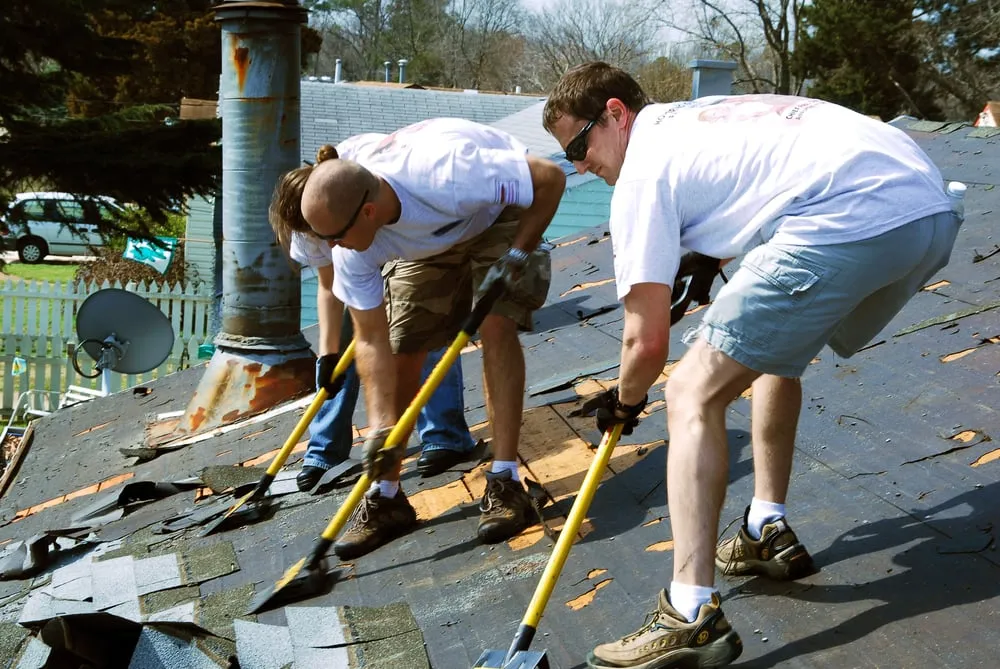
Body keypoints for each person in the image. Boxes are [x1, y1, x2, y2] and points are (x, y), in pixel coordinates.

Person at [543, 62, 963, 669]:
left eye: (580, 146)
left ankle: (690, 614)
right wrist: (712, 258)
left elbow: (645, 344)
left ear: (615, 113)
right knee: (768, 351)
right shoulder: (701, 120)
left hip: (846, 217)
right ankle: (767, 525)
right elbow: (766, 182)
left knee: (690, 392)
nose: (581, 166)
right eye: (570, 158)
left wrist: (624, 401)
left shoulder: (643, 171)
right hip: (927, 211)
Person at [272, 118, 566, 560]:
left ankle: (506, 480)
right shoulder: (351, 243)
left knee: (495, 325)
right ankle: (387, 497)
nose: (333, 250)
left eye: (336, 238)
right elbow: (371, 340)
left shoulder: (449, 172)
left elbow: (551, 177)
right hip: (424, 238)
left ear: (367, 213)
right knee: (405, 342)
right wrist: (381, 428)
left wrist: (519, 251)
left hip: (494, 214)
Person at [285, 234, 479, 492]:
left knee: (423, 332)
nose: (329, 245)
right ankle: (324, 451)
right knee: (339, 350)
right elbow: (328, 286)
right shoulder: (304, 229)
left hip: (405, 260)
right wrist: (328, 353)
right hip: (356, 276)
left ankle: (444, 436)